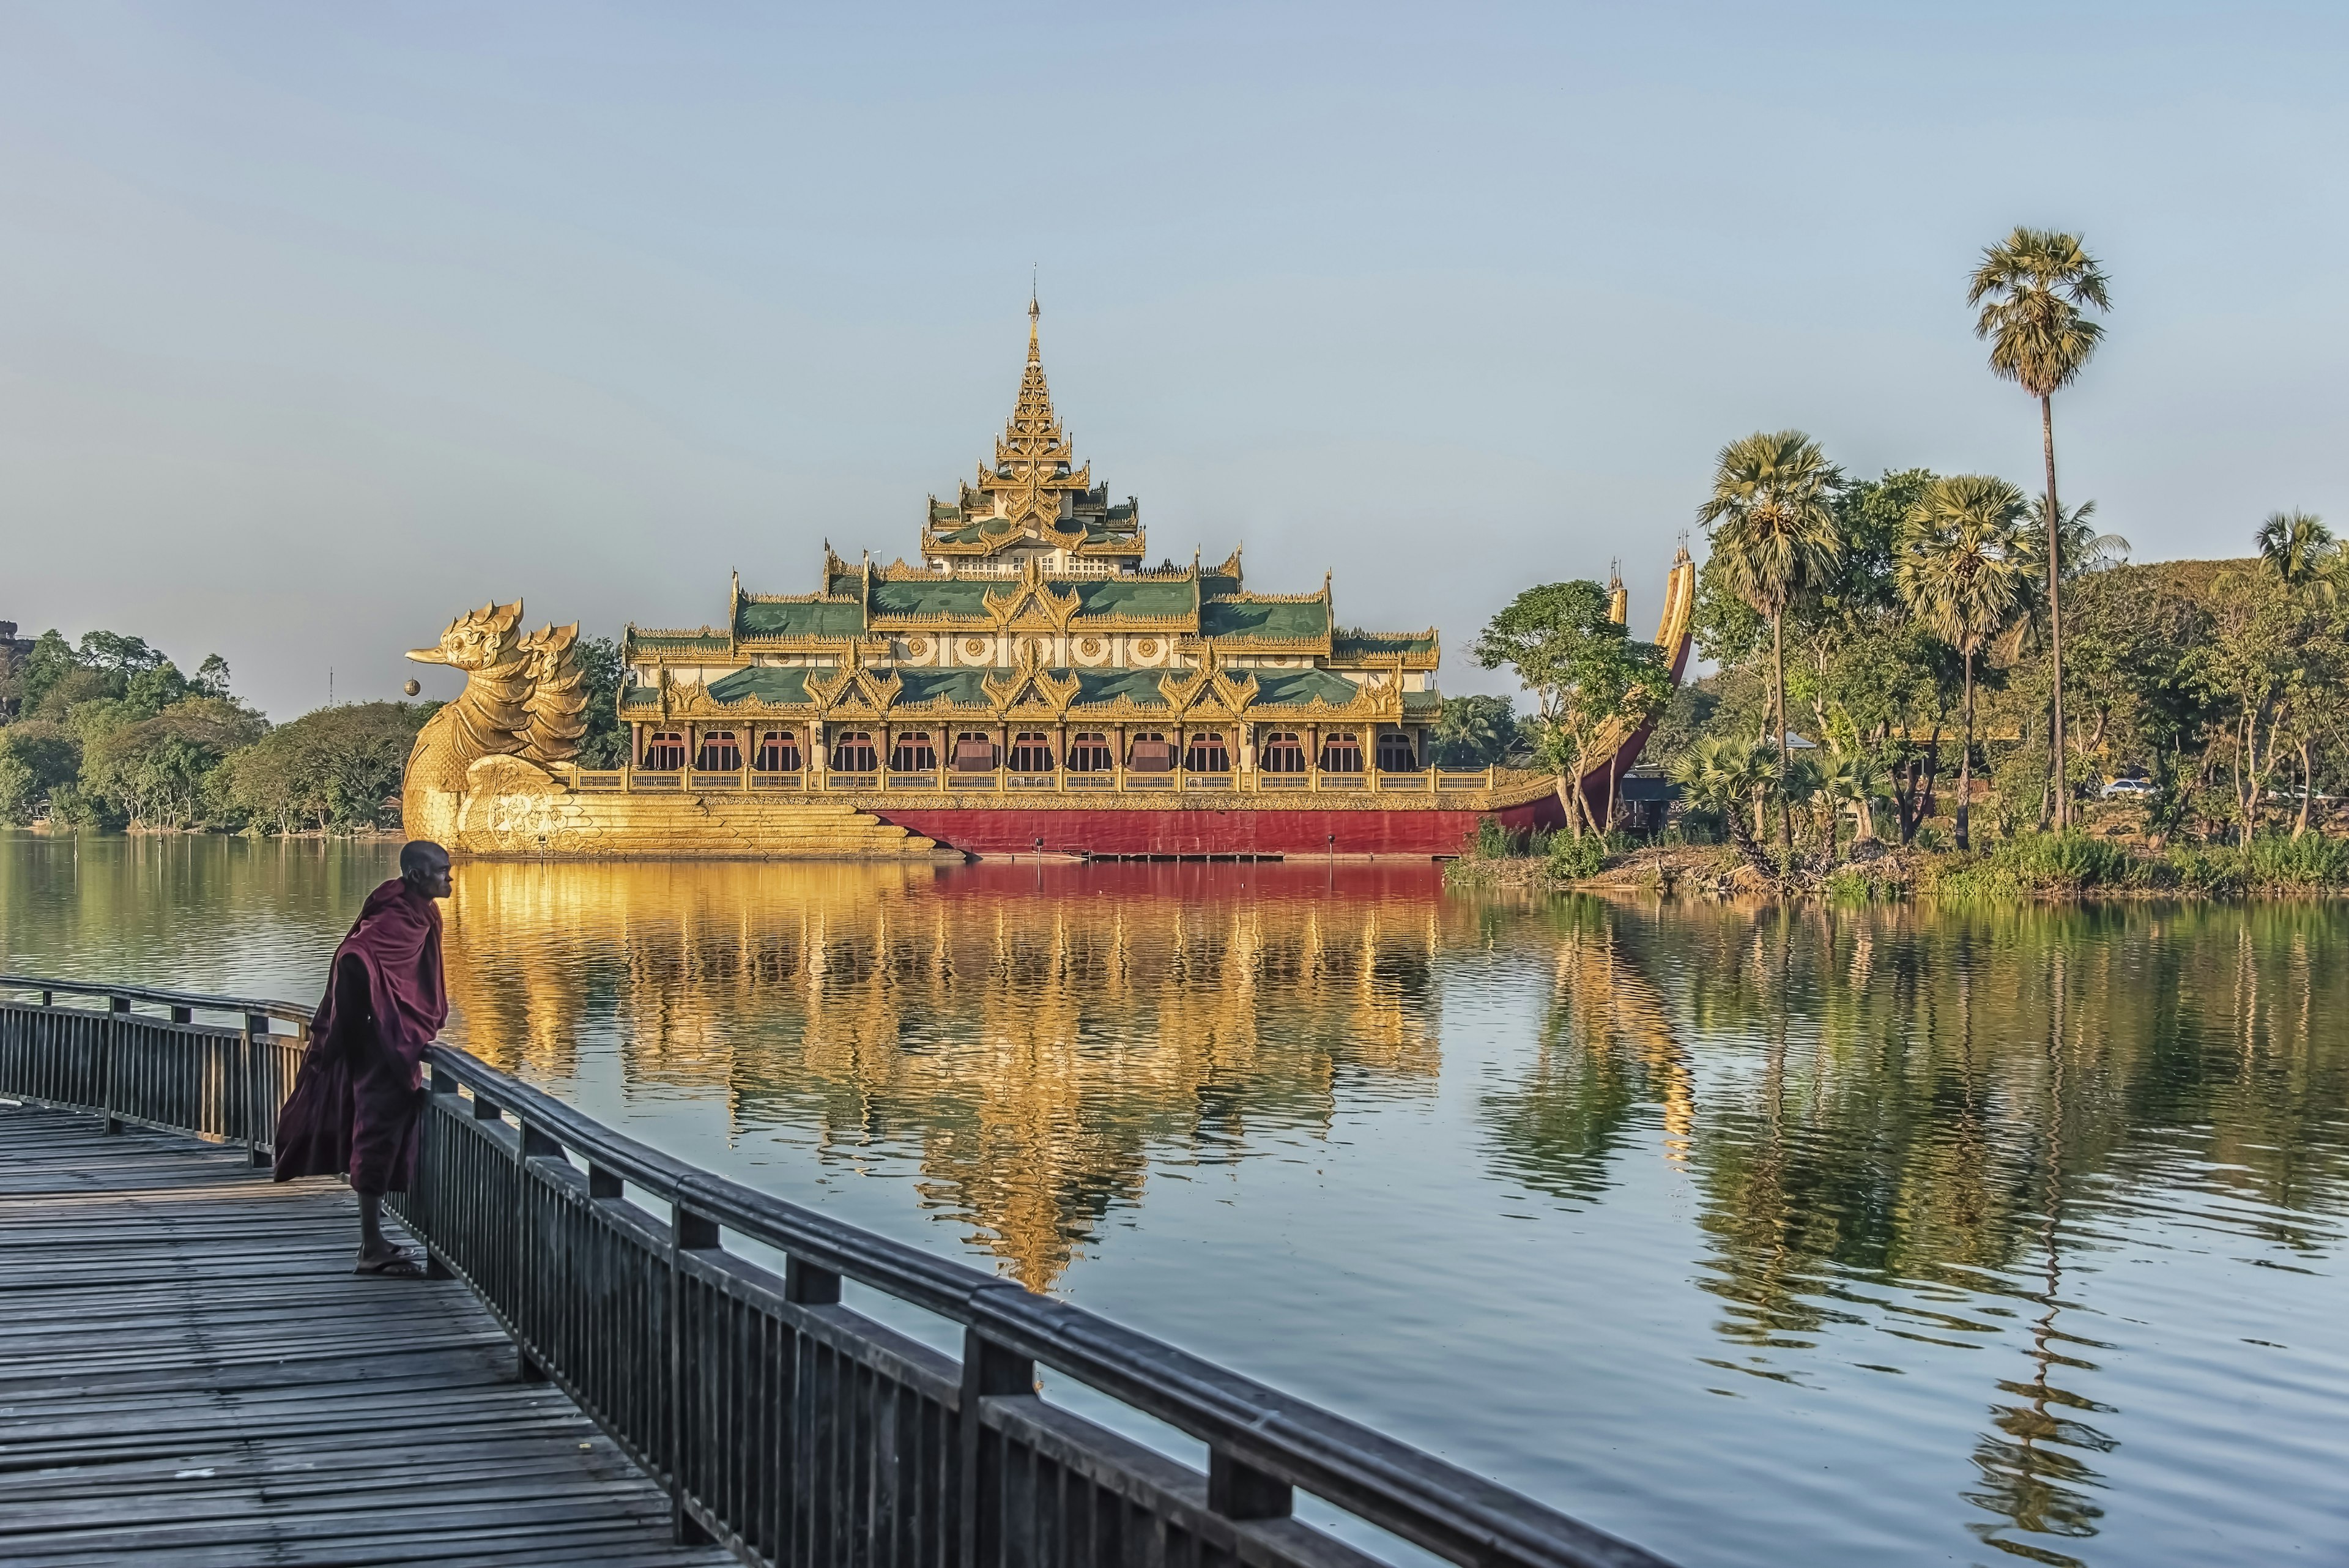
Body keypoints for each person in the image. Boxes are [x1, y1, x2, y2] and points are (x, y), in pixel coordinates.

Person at [273, 839, 453, 1276]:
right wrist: (365, 1024)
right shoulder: (394, 915)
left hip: (393, 1038)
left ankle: (376, 1240)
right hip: (382, 1044)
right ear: (415, 876)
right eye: (442, 870)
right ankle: (370, 1247)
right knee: (374, 1137)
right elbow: (354, 955)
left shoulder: (420, 910)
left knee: (384, 1135)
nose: (449, 877)